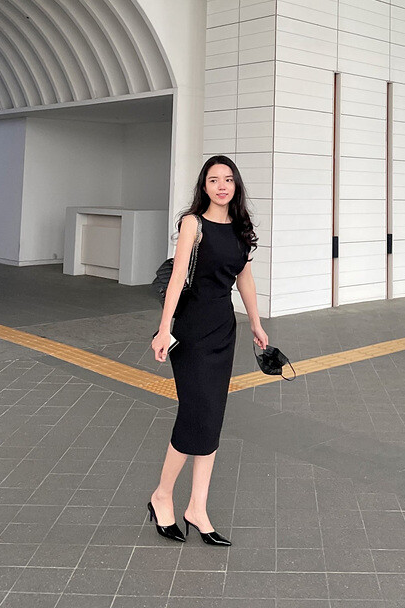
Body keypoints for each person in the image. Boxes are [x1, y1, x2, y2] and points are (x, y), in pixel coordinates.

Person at [149, 155, 268, 546]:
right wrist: (164, 328)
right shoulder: (193, 224)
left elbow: (244, 279)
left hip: (222, 330)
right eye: (214, 179)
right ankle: (162, 495)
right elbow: (177, 277)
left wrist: (256, 324)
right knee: (194, 412)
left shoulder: (240, 229)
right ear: (204, 186)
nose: (222, 186)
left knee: (212, 415)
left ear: (236, 186)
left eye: (228, 179)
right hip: (191, 330)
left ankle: (197, 508)